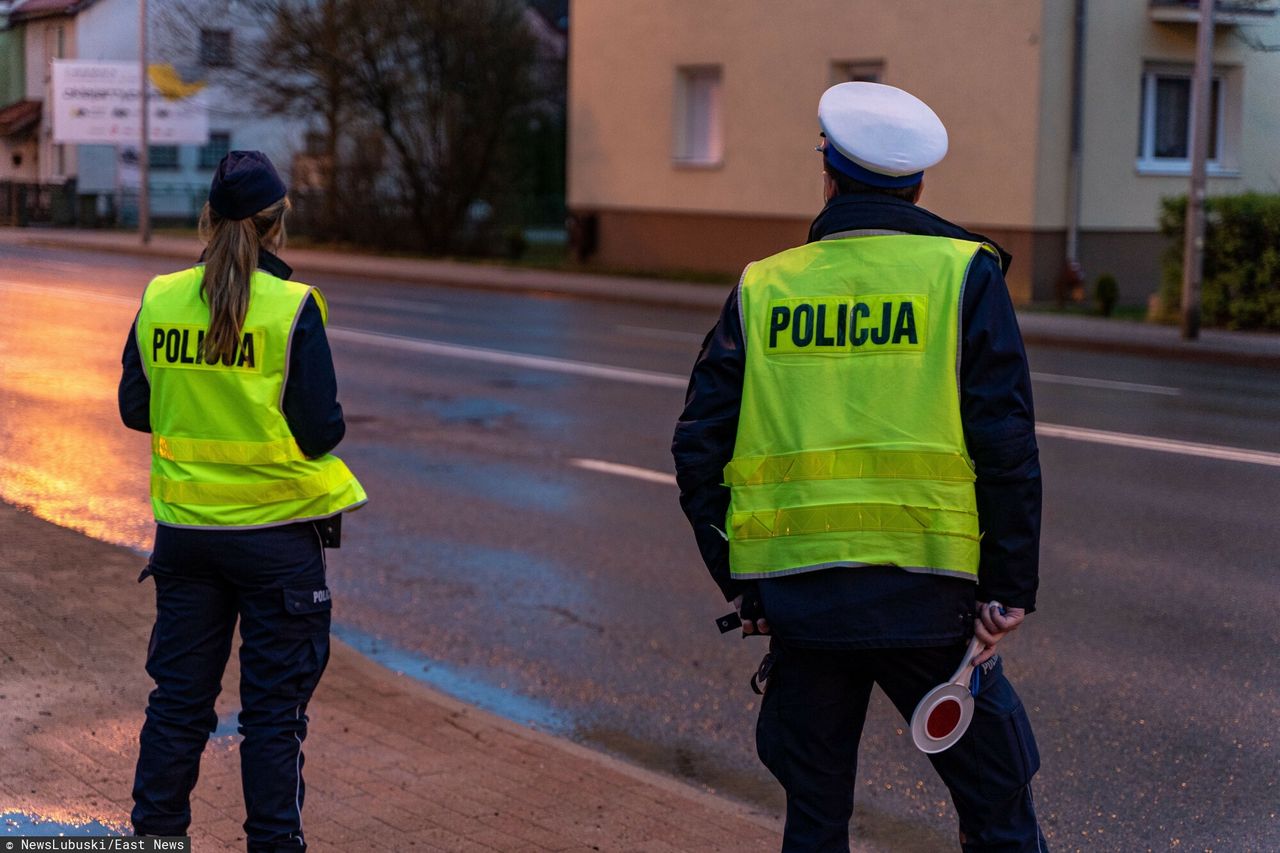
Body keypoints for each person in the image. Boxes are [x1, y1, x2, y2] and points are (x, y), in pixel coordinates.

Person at [672, 82, 1047, 852]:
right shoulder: (963, 275)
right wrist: (1008, 588)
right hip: (931, 602)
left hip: (804, 607)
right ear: (918, 182)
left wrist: (746, 581)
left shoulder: (765, 285)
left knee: (815, 820)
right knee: (998, 809)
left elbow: (697, 446)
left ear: (829, 173)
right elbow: (1004, 447)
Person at [118, 150, 367, 851]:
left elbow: (137, 408)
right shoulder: (291, 308)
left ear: (208, 219)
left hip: (187, 539)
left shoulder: (162, 297)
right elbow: (321, 431)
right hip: (276, 545)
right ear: (277, 225)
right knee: (272, 719)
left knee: (177, 706)